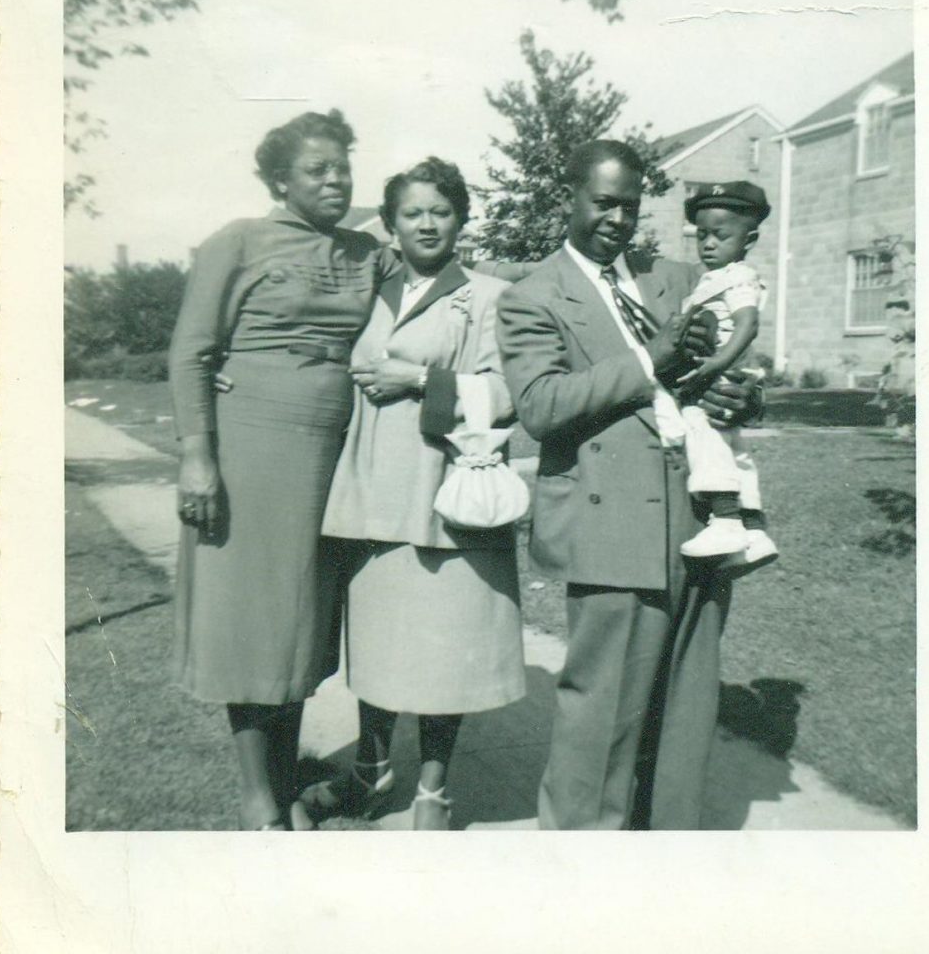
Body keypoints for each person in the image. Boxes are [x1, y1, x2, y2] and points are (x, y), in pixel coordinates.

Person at [495, 139, 761, 830]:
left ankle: (666, 859)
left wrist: (739, 395)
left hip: (695, 515)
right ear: (570, 200)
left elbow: (729, 349)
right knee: (603, 711)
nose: (618, 220)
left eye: (631, 207)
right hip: (607, 516)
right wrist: (650, 359)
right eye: (604, 203)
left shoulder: (671, 276)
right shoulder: (533, 296)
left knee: (685, 701)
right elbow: (541, 406)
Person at [169, 109, 389, 831]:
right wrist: (198, 457)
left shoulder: (365, 250)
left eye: (342, 167)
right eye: (317, 169)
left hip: (332, 451)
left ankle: (288, 777)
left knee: (301, 625)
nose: (334, 179)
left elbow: (441, 271)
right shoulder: (238, 241)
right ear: (279, 180)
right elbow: (191, 352)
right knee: (254, 625)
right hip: (252, 446)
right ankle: (259, 797)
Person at [303, 157, 526, 830]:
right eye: (413, 213)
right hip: (371, 496)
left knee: (443, 652)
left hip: (446, 498)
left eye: (441, 211)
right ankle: (371, 771)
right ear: (391, 226)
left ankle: (433, 789)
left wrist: (418, 381)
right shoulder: (367, 292)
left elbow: (513, 394)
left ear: (460, 219)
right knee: (378, 647)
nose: (427, 223)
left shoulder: (490, 296)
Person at [674, 181, 778, 570]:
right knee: (734, 448)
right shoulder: (715, 277)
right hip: (728, 368)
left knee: (701, 429)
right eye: (702, 234)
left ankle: (726, 518)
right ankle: (753, 528)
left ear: (748, 239)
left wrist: (717, 365)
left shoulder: (737, 278)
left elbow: (747, 325)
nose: (709, 244)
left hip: (722, 368)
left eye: (721, 235)